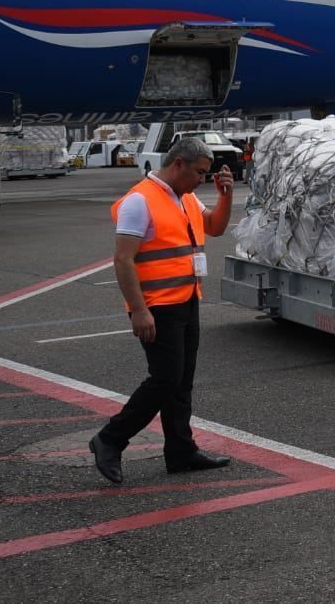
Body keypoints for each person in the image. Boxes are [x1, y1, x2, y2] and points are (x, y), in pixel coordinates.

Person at [88, 137, 234, 484]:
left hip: (186, 299)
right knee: (165, 379)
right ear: (178, 164)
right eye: (199, 172)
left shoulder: (185, 197)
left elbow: (215, 227)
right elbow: (123, 259)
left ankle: (180, 452)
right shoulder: (140, 200)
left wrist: (224, 195)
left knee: (181, 382)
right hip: (157, 306)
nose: (202, 179)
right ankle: (109, 439)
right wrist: (139, 310)